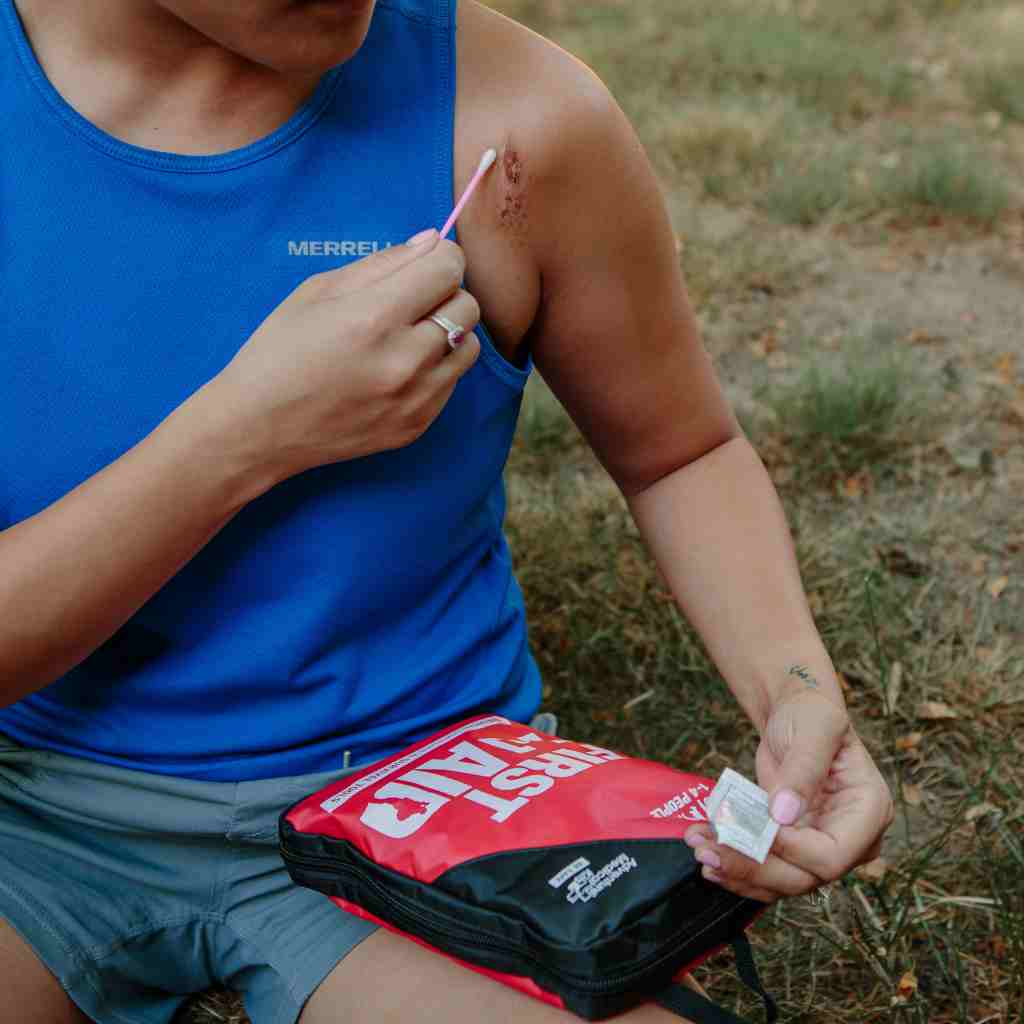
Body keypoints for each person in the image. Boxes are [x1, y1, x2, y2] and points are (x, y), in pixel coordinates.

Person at [0, 0, 895, 1021]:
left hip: (414, 805)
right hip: (29, 815)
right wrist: (243, 436)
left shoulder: (518, 119)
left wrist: (792, 686)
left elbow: (680, 453)